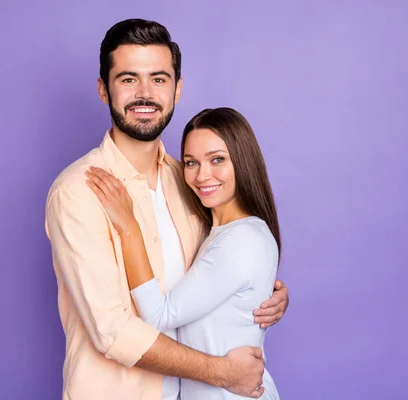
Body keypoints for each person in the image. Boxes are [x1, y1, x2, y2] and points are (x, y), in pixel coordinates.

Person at [45, 19, 289, 400]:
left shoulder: (190, 181)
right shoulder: (78, 192)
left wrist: (262, 294)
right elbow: (114, 331)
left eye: (158, 79)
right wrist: (223, 372)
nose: (145, 93)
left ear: (177, 89)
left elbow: (216, 268)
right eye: (128, 79)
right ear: (103, 90)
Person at [86, 107, 281, 399]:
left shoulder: (242, 239)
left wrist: (129, 227)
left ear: (243, 161)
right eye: (191, 162)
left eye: (217, 160)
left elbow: (158, 316)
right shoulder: (216, 231)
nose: (203, 175)